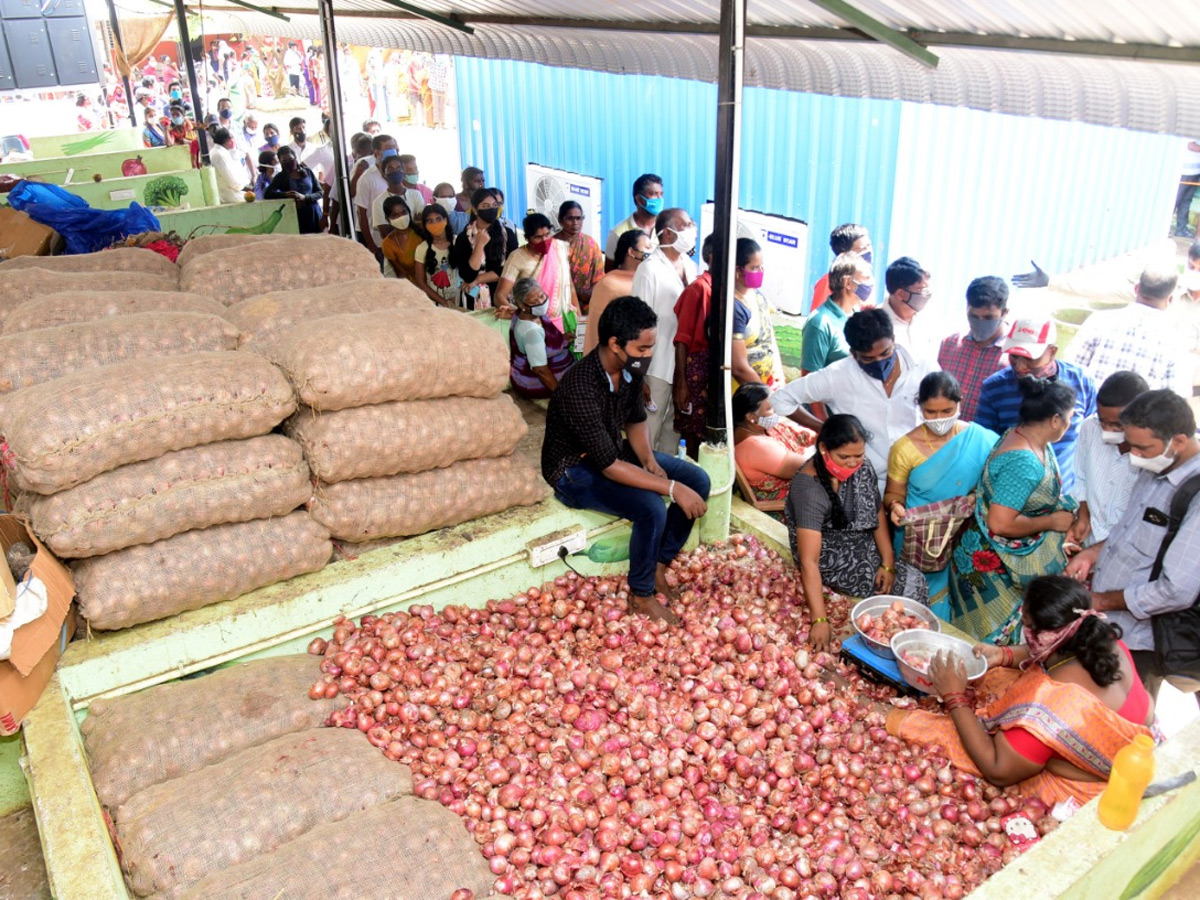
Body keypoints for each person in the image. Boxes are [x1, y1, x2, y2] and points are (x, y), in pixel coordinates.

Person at [889, 576, 1153, 808]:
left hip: (1082, 789)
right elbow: (1056, 650)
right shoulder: (1102, 640)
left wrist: (954, 697)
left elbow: (998, 769)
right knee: (997, 678)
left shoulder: (1055, 703)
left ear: (1046, 637)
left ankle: (894, 718)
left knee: (943, 732)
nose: (1023, 632)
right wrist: (1004, 655)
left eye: (1026, 624)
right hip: (1124, 751)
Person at [543, 295, 711, 625]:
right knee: (650, 506)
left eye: (651, 348)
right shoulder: (580, 385)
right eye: (642, 350)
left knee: (699, 480)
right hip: (573, 469)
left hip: (609, 450)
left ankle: (660, 565)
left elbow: (635, 420)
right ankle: (641, 594)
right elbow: (609, 466)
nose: (648, 356)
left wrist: (648, 459)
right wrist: (670, 487)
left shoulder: (629, 372)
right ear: (615, 344)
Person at [1067, 390, 1200, 700]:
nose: (1133, 455)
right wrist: (1092, 554)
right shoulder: (1156, 466)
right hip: (1109, 626)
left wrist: (1101, 601)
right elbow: (1129, 531)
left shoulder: (1194, 493)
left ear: (1178, 441)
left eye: (1142, 447)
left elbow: (1176, 589)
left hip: (1142, 644)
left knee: (1120, 725)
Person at [948, 378, 1080, 645]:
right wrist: (1053, 521)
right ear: (1055, 420)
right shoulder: (1024, 462)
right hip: (993, 570)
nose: (1070, 423)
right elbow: (1000, 523)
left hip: (980, 553)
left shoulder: (1021, 434)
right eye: (1069, 416)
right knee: (983, 644)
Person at [786, 414, 929, 651]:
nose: (853, 463)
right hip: (829, 558)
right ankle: (902, 648)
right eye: (844, 457)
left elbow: (876, 514)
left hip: (860, 545)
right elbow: (809, 561)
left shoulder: (862, 468)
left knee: (911, 579)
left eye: (859, 455)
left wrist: (888, 562)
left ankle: (905, 646)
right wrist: (819, 620)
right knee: (910, 585)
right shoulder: (809, 488)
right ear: (824, 449)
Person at [772, 308, 936, 492]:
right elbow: (780, 400)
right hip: (867, 483)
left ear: (894, 340)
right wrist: (824, 428)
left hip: (919, 477)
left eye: (885, 353)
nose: (879, 362)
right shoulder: (838, 376)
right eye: (868, 358)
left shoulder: (923, 368)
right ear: (853, 353)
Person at [884, 372, 999, 616]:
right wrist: (895, 507)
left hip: (960, 534)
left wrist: (973, 498)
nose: (938, 419)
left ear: (960, 403)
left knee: (954, 606)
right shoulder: (904, 448)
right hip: (917, 538)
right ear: (920, 408)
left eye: (947, 411)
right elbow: (893, 493)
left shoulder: (980, 440)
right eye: (930, 412)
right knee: (909, 609)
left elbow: (996, 481)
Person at [975, 316, 1096, 493]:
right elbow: (984, 445)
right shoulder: (994, 388)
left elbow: (1092, 439)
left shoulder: (1082, 381)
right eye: (1014, 357)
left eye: (1030, 358)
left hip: (1067, 494)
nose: (1020, 367)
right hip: (1013, 493)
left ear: (1052, 352)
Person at [1068, 263, 1190, 397]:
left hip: (1090, 414)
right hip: (1139, 417)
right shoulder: (1176, 341)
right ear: (1170, 299)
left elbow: (1071, 371)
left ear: (1136, 288)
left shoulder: (1099, 320)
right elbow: (1175, 399)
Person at [632, 207, 697, 454]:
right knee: (649, 430)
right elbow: (637, 324)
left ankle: (665, 480)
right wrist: (638, 376)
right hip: (655, 367)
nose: (693, 229)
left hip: (681, 365)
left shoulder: (690, 265)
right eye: (687, 225)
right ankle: (641, 481)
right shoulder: (649, 271)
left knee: (673, 429)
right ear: (668, 234)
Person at [1068, 371, 1149, 549]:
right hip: (1090, 535)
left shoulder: (1151, 453)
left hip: (1124, 545)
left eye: (1117, 424)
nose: (1107, 428)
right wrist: (1083, 515)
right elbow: (1080, 477)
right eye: (1103, 420)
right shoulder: (1091, 427)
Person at [938, 276, 1011, 422]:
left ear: (1004, 313)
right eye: (973, 316)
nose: (980, 322)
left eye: (989, 317)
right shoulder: (950, 345)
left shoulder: (1012, 358)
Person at [732, 383, 816, 504]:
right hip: (789, 507)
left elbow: (803, 435)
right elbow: (811, 468)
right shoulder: (756, 447)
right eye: (770, 408)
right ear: (751, 417)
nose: (776, 410)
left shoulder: (761, 428)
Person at [494, 213, 578, 334]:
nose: (544, 240)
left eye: (547, 234)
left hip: (564, 320)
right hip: (532, 325)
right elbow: (500, 295)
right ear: (527, 238)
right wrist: (517, 315)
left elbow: (568, 286)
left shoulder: (559, 249)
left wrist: (580, 318)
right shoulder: (517, 257)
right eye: (538, 237)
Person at [672, 236, 715, 457]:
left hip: (709, 372)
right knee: (692, 437)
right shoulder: (698, 289)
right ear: (712, 257)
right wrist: (681, 383)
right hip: (695, 371)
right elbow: (682, 339)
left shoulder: (721, 288)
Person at [801, 252, 874, 374]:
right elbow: (808, 380)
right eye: (866, 278)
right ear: (848, 283)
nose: (871, 283)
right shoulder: (819, 324)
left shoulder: (857, 313)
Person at [585, 231, 652, 355]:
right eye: (648, 248)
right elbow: (596, 329)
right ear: (631, 252)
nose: (651, 252)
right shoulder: (610, 284)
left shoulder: (646, 278)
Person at [732, 238, 785, 390]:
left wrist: (778, 377)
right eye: (754, 268)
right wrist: (765, 395)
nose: (760, 272)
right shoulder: (734, 307)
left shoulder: (759, 297)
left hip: (764, 387)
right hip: (741, 391)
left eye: (761, 267)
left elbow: (770, 341)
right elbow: (739, 368)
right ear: (737, 271)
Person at [509, 278, 575, 398]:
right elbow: (541, 371)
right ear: (522, 305)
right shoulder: (532, 332)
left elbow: (545, 341)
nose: (541, 302)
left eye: (542, 296)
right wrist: (561, 395)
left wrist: (562, 339)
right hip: (533, 382)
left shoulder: (534, 314)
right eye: (534, 301)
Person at [454, 188, 517, 309]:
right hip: (472, 300)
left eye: (494, 205)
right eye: (486, 206)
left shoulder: (508, 234)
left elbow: (510, 270)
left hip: (502, 298)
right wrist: (479, 245)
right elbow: (468, 275)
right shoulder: (463, 238)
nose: (492, 209)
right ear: (475, 210)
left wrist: (478, 279)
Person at [882, 256, 939, 363]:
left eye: (927, 288)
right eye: (921, 289)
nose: (926, 294)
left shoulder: (929, 319)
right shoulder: (876, 323)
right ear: (900, 294)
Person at [808, 223, 873, 315]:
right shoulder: (827, 283)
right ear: (845, 254)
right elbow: (817, 320)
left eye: (869, 245)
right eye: (862, 249)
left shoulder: (866, 281)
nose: (868, 251)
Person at [555, 201, 605, 313]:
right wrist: (576, 293)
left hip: (588, 305)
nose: (575, 223)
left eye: (579, 218)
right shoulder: (552, 245)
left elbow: (599, 277)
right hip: (559, 305)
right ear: (560, 220)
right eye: (570, 219)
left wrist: (591, 293)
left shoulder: (590, 244)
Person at [355, 134, 399, 258]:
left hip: (395, 236)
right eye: (389, 147)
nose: (393, 150)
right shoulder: (367, 178)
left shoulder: (398, 173)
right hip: (375, 239)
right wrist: (371, 245)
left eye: (394, 147)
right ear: (377, 152)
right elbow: (361, 213)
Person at [604, 174, 662, 265]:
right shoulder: (618, 233)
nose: (660, 199)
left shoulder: (666, 229)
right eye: (654, 194)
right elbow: (610, 270)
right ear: (639, 199)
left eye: (661, 194)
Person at [266, 146, 322, 234]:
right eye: (284, 161)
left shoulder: (307, 172)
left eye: (290, 159)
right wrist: (286, 194)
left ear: (295, 158)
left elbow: (320, 192)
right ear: (280, 162)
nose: (288, 162)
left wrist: (305, 197)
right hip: (295, 217)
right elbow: (268, 194)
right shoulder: (281, 177)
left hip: (314, 214)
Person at [414, 204, 461, 307]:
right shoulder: (422, 248)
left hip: (460, 300)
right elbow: (420, 282)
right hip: (435, 304)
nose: (435, 223)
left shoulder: (458, 241)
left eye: (438, 219)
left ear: (446, 220)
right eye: (430, 221)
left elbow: (467, 272)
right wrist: (444, 302)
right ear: (425, 225)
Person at [371, 154, 423, 245]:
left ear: (403, 172)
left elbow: (423, 224)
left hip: (417, 246)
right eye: (390, 169)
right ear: (384, 174)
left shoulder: (415, 195)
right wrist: (414, 223)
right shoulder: (378, 202)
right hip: (394, 249)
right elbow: (385, 233)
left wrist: (395, 224)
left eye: (398, 168)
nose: (395, 171)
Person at [379, 195, 422, 281]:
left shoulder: (421, 229)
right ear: (388, 219)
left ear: (408, 212)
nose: (401, 217)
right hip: (411, 284)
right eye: (395, 215)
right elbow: (401, 273)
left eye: (403, 212)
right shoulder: (387, 244)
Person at [209, 127, 247, 204]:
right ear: (226, 140)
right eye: (232, 138)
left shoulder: (220, 152)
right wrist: (244, 184)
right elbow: (233, 182)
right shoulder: (219, 155)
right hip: (227, 196)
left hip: (229, 193)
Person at [1174, 138, 1200, 238]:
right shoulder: (1190, 126)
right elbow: (1190, 146)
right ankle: (1163, 228)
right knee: (1175, 200)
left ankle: (1181, 230)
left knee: (1186, 201)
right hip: (1184, 171)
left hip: (1195, 171)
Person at [165, 102, 200, 167]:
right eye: (173, 115)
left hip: (199, 155)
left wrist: (188, 142)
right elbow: (169, 144)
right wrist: (166, 130)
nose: (175, 117)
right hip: (186, 160)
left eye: (177, 115)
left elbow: (201, 139)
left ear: (183, 116)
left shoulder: (192, 125)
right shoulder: (173, 131)